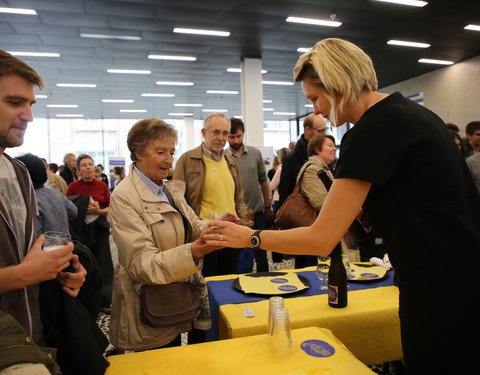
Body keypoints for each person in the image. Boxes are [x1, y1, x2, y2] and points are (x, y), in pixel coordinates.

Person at [205, 38, 480, 374]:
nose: (317, 110)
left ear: (338, 84)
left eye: (316, 98)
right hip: (458, 274)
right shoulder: (413, 115)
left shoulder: (372, 130)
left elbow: (321, 239)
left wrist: (250, 236)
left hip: (438, 286)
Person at [108, 118, 235, 351]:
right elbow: (140, 263)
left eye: (172, 151)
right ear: (138, 152)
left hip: (174, 299)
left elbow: (193, 225)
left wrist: (216, 226)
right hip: (146, 306)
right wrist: (192, 251)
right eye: (160, 152)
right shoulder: (125, 197)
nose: (169, 159)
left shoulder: (167, 189)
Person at [0, 49, 85, 347]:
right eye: (14, 103)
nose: (29, 116)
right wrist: (23, 275)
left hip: (29, 335)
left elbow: (25, 252)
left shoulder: (18, 172)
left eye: (30, 104)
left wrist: (59, 271)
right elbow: (21, 271)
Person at [173, 113, 251, 276]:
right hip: (205, 234)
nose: (221, 138)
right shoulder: (187, 160)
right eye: (216, 132)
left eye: (225, 133)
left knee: (229, 280)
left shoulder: (231, 162)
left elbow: (239, 199)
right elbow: (177, 200)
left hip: (231, 233)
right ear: (204, 133)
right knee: (206, 283)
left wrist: (243, 227)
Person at [278, 113, 328, 268]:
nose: (325, 134)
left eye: (326, 130)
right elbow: (285, 191)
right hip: (302, 218)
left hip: (323, 217)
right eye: (321, 131)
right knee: (305, 262)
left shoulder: (325, 155)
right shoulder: (292, 158)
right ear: (308, 130)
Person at [66, 154, 112, 309]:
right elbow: (68, 208)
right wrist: (83, 207)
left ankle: (104, 300)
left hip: (100, 227)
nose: (88, 168)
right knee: (84, 262)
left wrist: (98, 211)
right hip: (81, 229)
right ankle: (85, 299)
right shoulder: (73, 187)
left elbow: (110, 208)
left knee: (103, 262)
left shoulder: (102, 186)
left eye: (90, 164)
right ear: (78, 170)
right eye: (84, 165)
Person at [227, 117, 273, 272]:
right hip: (236, 214)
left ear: (243, 134)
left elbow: (263, 181)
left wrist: (268, 205)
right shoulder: (223, 157)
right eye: (232, 137)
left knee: (261, 251)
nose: (235, 140)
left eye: (238, 136)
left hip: (257, 211)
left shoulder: (255, 153)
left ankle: (265, 282)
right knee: (239, 254)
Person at [15, 153, 77, 236]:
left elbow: (35, 234)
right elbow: (74, 212)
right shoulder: (56, 193)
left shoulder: (30, 201)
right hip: (66, 243)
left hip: (45, 246)